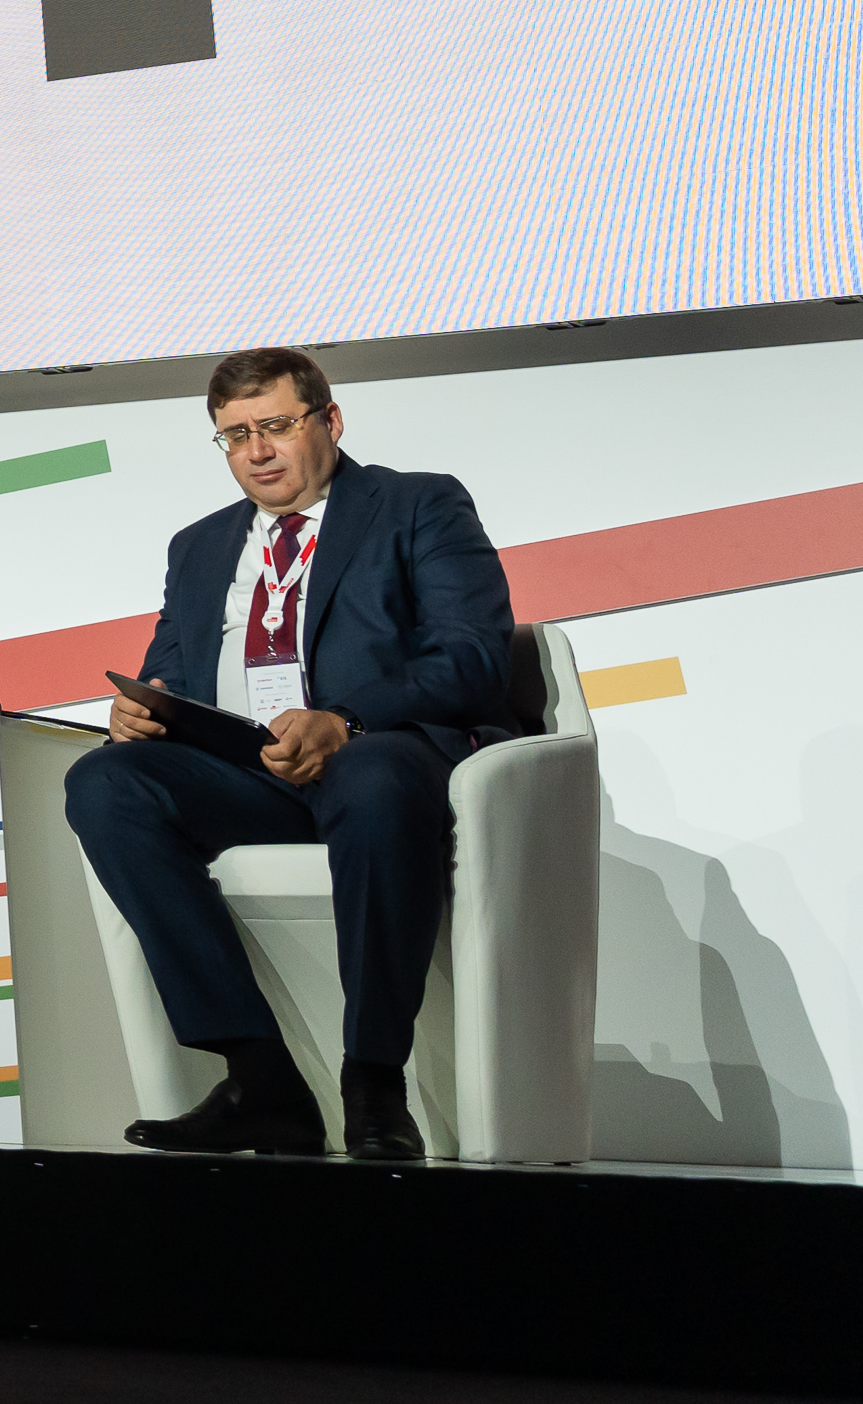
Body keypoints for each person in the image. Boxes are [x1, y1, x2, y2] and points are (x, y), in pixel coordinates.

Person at [69, 348, 515, 1161]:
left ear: (328, 421)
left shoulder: (416, 505)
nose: (257, 452)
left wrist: (344, 719)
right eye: (234, 435)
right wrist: (141, 711)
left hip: (376, 757)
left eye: (274, 426)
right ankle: (258, 1078)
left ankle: (374, 1080)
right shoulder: (198, 546)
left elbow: (472, 655)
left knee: (372, 775)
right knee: (103, 780)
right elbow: (170, 671)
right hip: (248, 773)